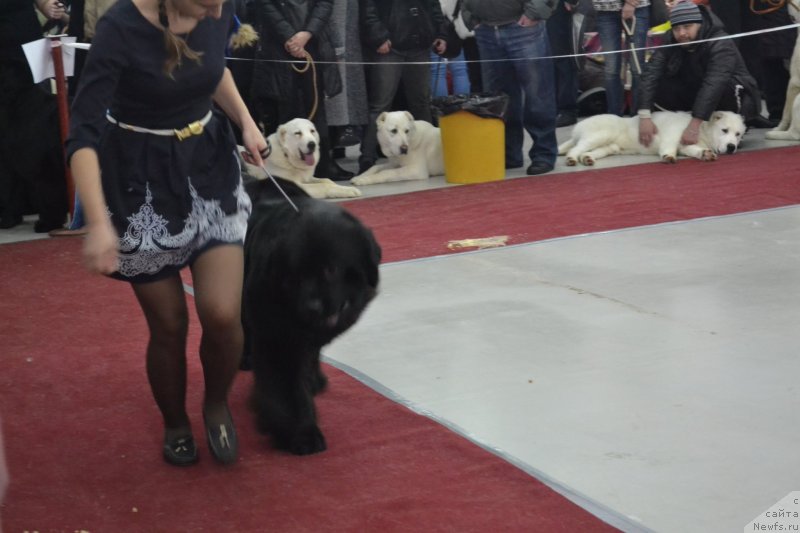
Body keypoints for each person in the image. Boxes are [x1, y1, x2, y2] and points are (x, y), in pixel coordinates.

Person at [66, 0, 268, 466]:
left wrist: (247, 123)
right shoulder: (119, 28)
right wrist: (97, 225)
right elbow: (83, 134)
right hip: (139, 179)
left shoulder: (215, 9)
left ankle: (215, 403)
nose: (218, 13)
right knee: (170, 323)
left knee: (222, 314)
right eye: (206, 5)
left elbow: (212, 70)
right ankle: (175, 421)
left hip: (209, 164)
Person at [638, 1, 767, 149]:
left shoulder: (719, 41)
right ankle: (675, 126)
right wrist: (645, 117)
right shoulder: (670, 40)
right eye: (677, 28)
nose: (682, 34)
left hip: (733, 94)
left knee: (723, 86)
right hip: (696, 88)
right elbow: (650, 74)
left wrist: (694, 126)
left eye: (687, 27)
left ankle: (732, 130)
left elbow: (714, 83)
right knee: (659, 83)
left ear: (699, 24)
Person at [250, 0, 352, 181]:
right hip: (278, 47)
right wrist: (290, 37)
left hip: (313, 43)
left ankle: (323, 167)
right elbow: (265, 5)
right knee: (283, 109)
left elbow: (325, 4)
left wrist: (307, 34)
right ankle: (281, 170)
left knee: (316, 109)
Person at [462, 0, 558, 175]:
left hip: (523, 27)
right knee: (500, 98)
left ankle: (543, 153)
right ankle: (509, 153)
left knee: (537, 94)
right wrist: (469, 15)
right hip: (486, 29)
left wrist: (533, 12)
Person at [0, 0, 69, 231]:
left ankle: (48, 208)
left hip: (21, 49)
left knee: (35, 134)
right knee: (17, 134)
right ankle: (11, 207)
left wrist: (46, 5)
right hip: (20, 44)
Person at [358, 0, 448, 174]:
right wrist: (379, 37)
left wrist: (441, 34)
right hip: (390, 47)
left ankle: (433, 153)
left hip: (418, 46)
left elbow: (434, 7)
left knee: (420, 103)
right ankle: (367, 157)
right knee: (380, 105)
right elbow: (368, 10)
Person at [591, 0, 650, 117]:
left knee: (637, 67)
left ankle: (639, 117)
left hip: (637, 6)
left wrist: (631, 3)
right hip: (604, 8)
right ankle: (614, 116)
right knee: (611, 69)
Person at [429, 0, 472, 98]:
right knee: (460, 71)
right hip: (456, 25)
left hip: (435, 26)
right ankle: (463, 107)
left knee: (438, 72)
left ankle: (441, 109)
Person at [547, 0, 579, 127]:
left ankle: (567, 110)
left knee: (562, 59)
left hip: (557, 8)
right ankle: (551, 109)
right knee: (544, 62)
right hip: (530, 7)